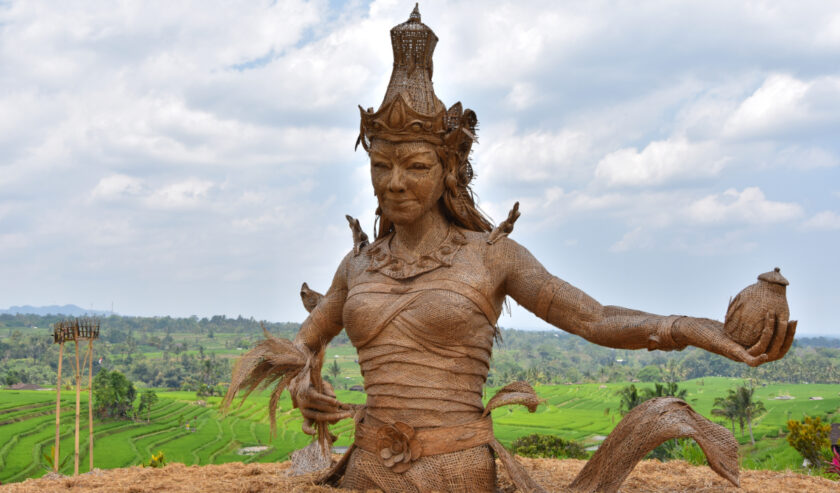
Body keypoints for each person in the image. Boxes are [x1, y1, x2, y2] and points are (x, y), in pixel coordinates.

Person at [229, 6, 795, 493]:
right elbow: (305, 343)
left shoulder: (490, 255)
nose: (395, 182)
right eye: (381, 165)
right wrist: (304, 380)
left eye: (416, 165)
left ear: (448, 168)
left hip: (459, 474)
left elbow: (594, 319)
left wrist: (697, 329)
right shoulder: (356, 266)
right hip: (368, 472)